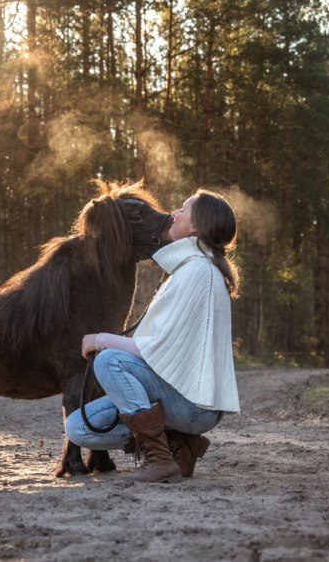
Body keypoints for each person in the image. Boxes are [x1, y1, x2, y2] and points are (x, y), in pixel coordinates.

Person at [66, 189, 241, 483]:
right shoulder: (191, 268)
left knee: (109, 361)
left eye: (183, 210)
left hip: (192, 406)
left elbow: (156, 349)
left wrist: (100, 339)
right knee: (78, 427)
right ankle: (178, 447)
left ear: (195, 226)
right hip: (178, 397)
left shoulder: (199, 271)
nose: (174, 214)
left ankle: (159, 459)